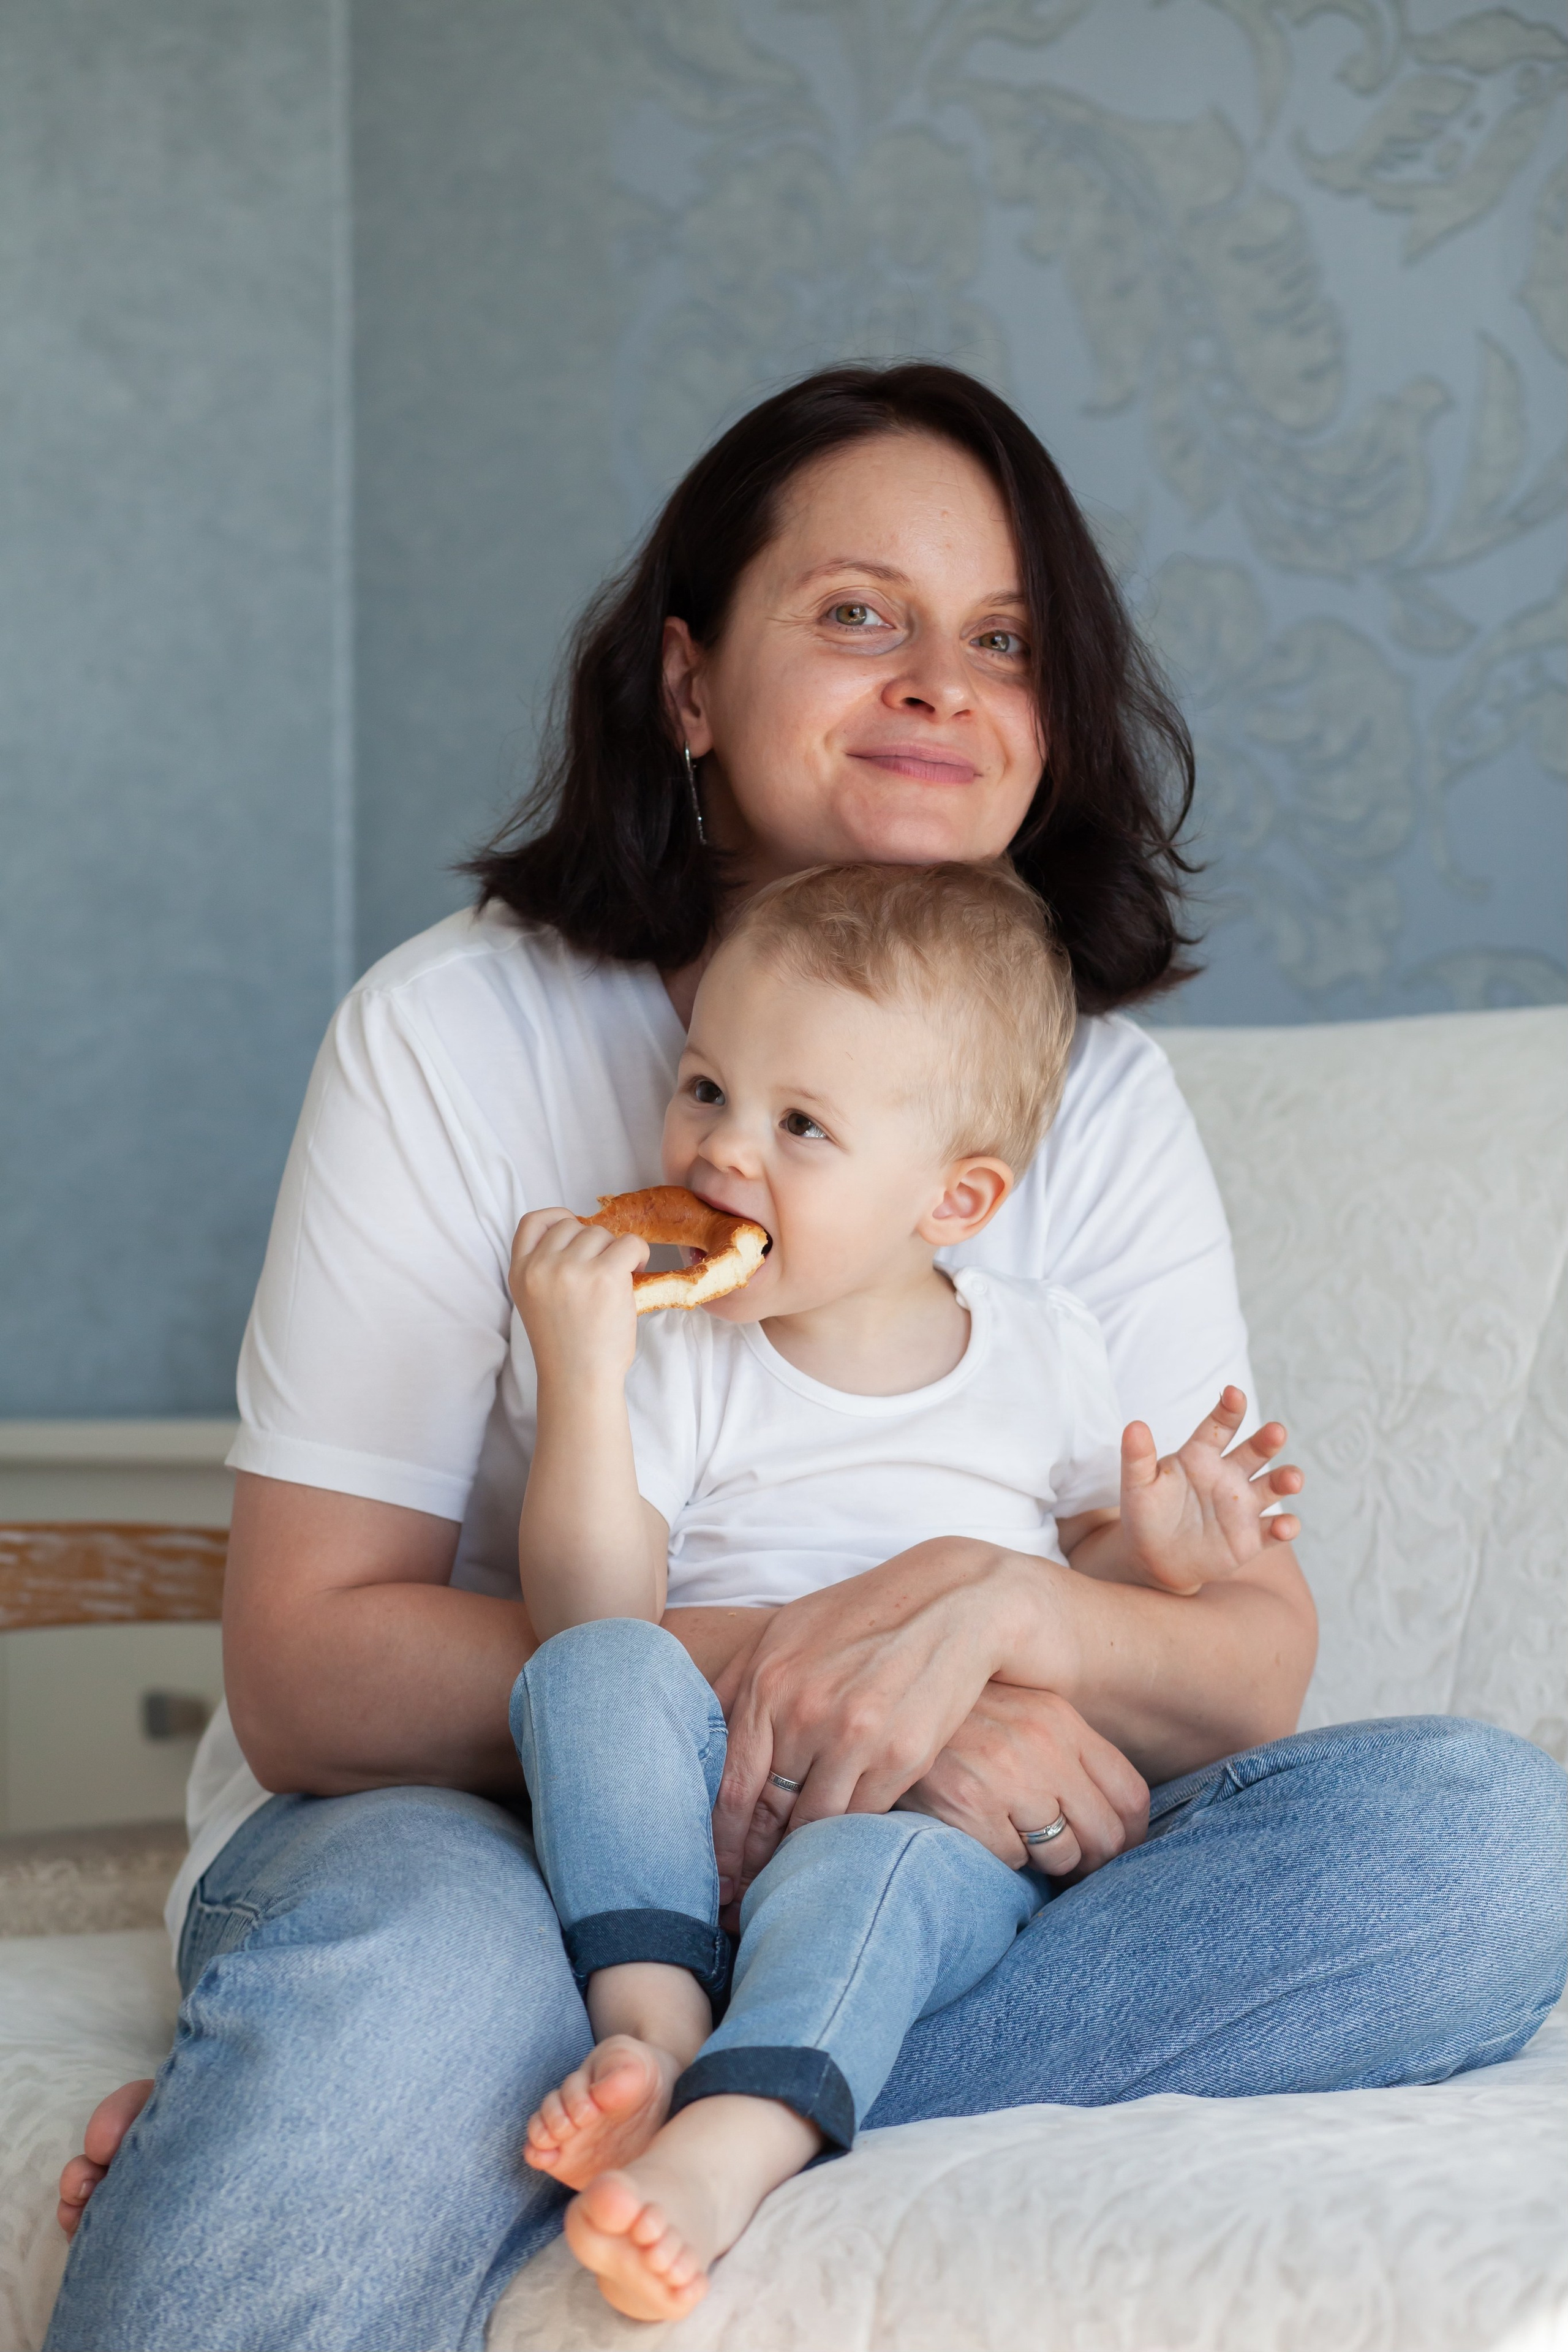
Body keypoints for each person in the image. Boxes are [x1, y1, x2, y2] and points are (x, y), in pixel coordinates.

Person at [47, 364, 1566, 2352]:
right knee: (418, 1984)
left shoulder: (1087, 1101)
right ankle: (493, 2074)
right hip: (474, 1818)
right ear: (687, 684)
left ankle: (634, 2114)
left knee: (1476, 1834)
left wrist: (1011, 1613)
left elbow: (1247, 1665)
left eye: (1005, 640)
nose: (943, 680)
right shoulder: (458, 1038)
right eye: (862, 613)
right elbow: (317, 1675)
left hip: (904, 1846)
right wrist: (855, 1658)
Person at [507, 859, 1305, 2323]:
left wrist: (1170, 1558)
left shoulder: (1040, 1349)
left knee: (870, 1872)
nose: (721, 1153)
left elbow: (1088, 1581)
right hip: (692, 1805)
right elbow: (587, 1612)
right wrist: (582, 1382)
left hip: (918, 1828)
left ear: (957, 1196)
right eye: (703, 1091)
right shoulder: (669, 1350)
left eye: (799, 1126)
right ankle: (651, 2028)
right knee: (583, 1678)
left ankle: (723, 2152)